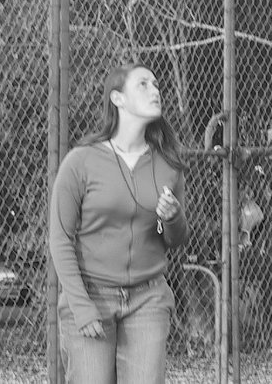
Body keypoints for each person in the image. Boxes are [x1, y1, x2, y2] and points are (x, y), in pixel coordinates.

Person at [49, 64, 189, 384]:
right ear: (118, 99)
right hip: (91, 296)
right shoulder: (81, 161)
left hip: (148, 300)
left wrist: (170, 218)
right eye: (143, 84)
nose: (155, 90)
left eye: (156, 84)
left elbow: (172, 239)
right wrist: (81, 307)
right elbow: (60, 238)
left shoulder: (168, 164)